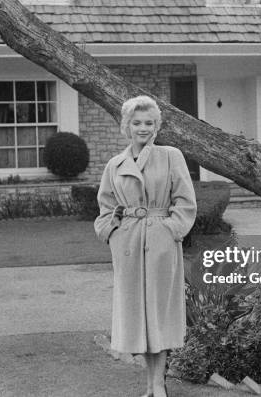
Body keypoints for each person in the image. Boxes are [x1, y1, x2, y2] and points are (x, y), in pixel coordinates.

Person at [94, 95, 197, 397]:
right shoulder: (115, 164)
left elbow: (186, 202)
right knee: (137, 316)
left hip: (161, 243)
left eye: (149, 123)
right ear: (127, 126)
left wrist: (170, 230)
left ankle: (158, 384)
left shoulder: (170, 156)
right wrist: (113, 232)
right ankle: (149, 384)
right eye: (137, 122)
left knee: (160, 314)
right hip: (128, 245)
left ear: (157, 126)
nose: (143, 128)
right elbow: (105, 206)